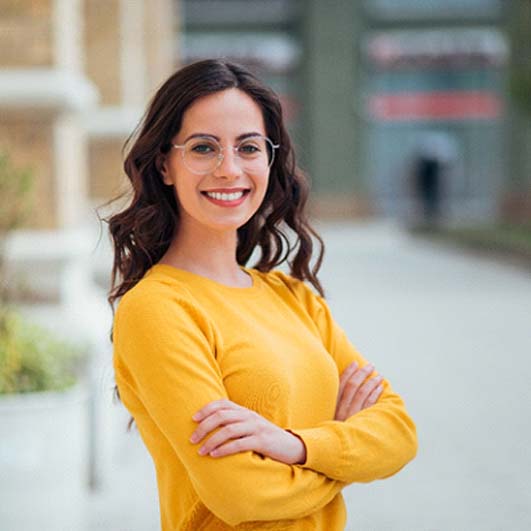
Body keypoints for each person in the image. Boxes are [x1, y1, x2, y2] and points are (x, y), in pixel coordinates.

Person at [107, 59, 417, 531]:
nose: (228, 169)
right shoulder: (158, 309)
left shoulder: (294, 297)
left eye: (248, 147)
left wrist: (294, 446)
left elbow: (399, 433)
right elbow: (242, 496)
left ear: (269, 161)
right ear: (165, 166)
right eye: (203, 147)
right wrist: (344, 454)